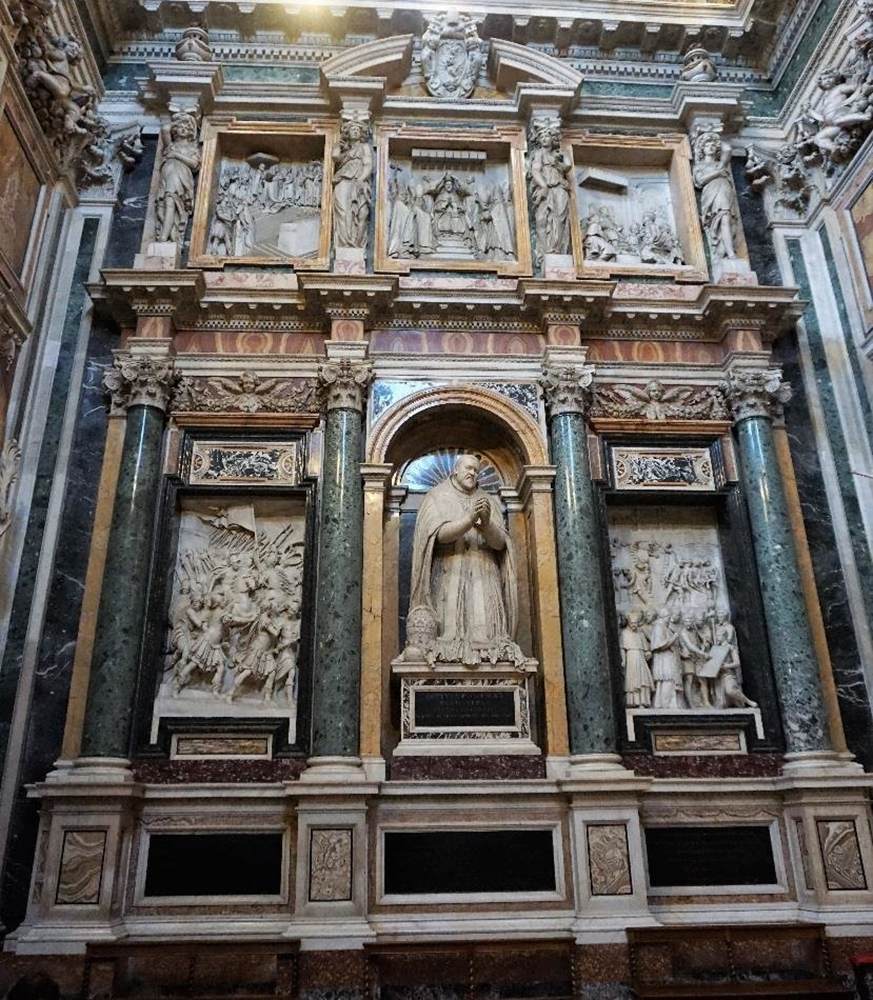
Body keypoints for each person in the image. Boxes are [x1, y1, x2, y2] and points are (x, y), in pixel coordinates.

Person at [406, 453, 525, 666]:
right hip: (449, 574)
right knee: (448, 634)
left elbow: (500, 544)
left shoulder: (487, 500)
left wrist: (486, 524)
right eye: (469, 468)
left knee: (487, 638)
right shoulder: (437, 496)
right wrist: (469, 519)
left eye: (476, 470)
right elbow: (437, 535)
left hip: (485, 576)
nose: (473, 473)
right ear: (455, 469)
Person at [622, 610, 653, 708]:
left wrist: (648, 652)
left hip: (640, 658)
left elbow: (646, 648)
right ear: (629, 623)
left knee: (643, 680)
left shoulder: (640, 634)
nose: (634, 625)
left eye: (635, 623)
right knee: (633, 680)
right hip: (631, 657)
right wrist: (623, 660)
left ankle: (643, 702)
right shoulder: (624, 633)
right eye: (632, 623)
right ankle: (633, 702)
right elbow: (622, 648)